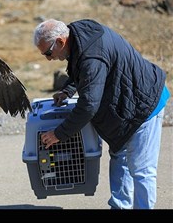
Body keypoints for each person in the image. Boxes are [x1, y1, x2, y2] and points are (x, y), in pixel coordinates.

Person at [33, 18, 170, 209]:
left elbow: (89, 105)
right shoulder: (79, 34)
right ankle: (120, 207)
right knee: (120, 159)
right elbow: (85, 69)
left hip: (144, 104)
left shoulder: (91, 56)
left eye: (48, 52)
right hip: (124, 106)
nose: (48, 58)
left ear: (61, 42)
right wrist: (68, 90)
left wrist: (59, 134)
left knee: (141, 170)